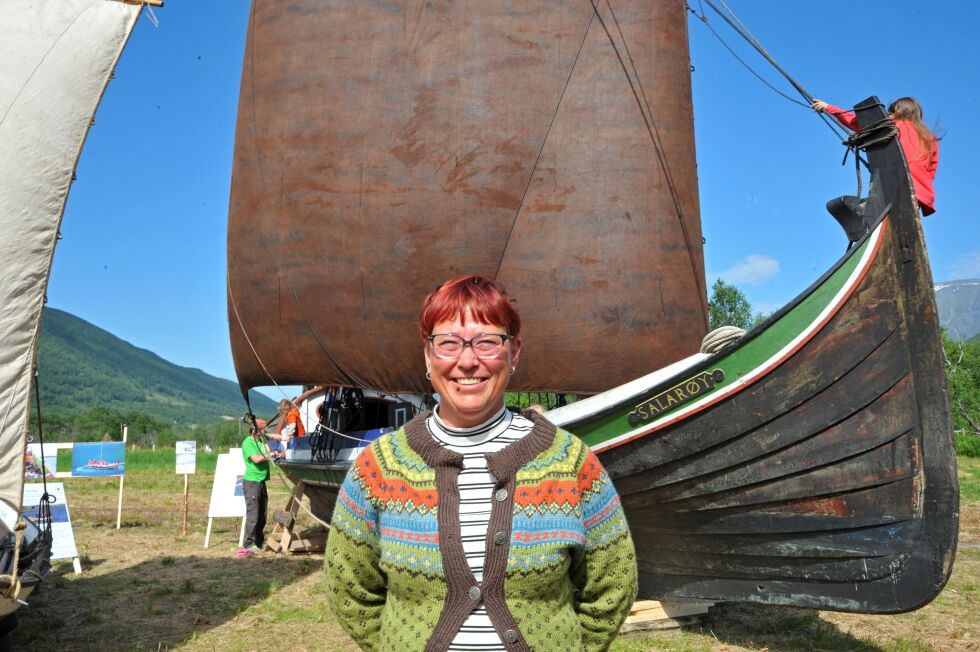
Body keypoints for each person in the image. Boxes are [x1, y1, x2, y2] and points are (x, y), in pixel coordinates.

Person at [325, 275, 638, 652]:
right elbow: (350, 590)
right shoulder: (381, 467)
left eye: (488, 341)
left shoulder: (570, 462)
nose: (468, 360)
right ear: (428, 355)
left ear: (514, 351)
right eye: (448, 343)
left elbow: (613, 586)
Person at [811, 97, 939, 215]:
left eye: (890, 112)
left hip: (893, 189)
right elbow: (931, 172)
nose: (888, 114)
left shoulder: (891, 125)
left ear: (897, 111)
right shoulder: (929, 139)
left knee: (856, 212)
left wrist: (828, 107)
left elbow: (856, 122)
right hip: (918, 196)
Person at [239, 417, 282, 557]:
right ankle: (249, 544)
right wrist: (273, 454)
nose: (265, 432)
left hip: (261, 481)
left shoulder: (261, 437)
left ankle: (258, 541)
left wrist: (287, 436)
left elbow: (276, 436)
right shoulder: (249, 442)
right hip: (252, 482)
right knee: (254, 515)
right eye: (263, 429)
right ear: (255, 430)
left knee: (262, 515)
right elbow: (256, 459)